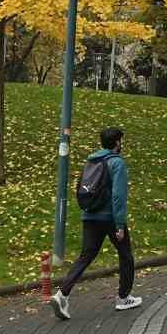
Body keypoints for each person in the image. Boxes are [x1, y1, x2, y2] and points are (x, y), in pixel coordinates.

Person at [51, 126, 141, 318]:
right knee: (126, 255)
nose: (122, 144)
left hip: (89, 215)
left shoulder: (91, 160)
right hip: (109, 217)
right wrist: (119, 224)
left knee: (86, 255)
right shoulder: (117, 163)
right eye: (121, 140)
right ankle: (123, 298)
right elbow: (118, 196)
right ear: (117, 142)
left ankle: (61, 294)